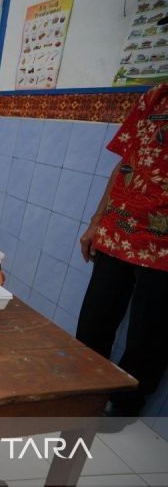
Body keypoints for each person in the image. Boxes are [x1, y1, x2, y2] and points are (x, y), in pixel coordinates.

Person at [76, 82, 168, 418]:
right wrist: (96, 220)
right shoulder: (155, 96)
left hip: (162, 247)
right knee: (93, 322)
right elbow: (125, 162)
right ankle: (87, 388)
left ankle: (125, 406)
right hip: (119, 229)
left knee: (149, 335)